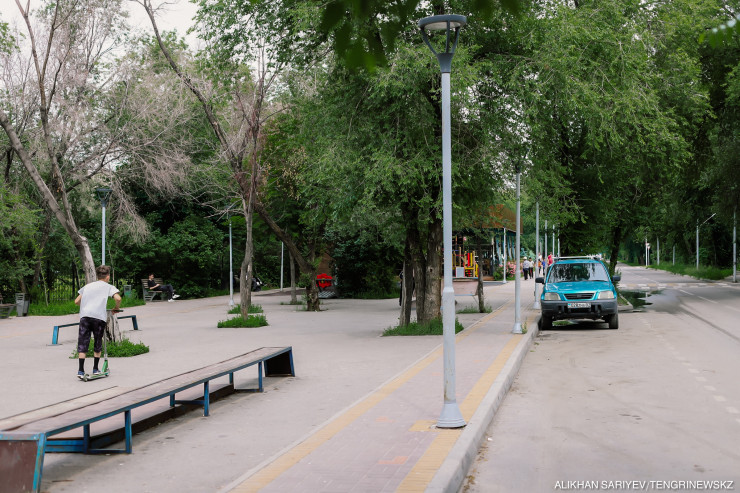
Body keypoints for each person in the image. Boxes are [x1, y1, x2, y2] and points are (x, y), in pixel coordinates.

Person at [74, 265, 121, 378]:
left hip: (85, 316)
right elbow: (118, 298)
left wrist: (86, 306)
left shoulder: (88, 286)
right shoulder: (108, 287)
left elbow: (76, 301)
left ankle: (80, 370)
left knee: (83, 342)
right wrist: (116, 308)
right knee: (98, 341)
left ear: (97, 276)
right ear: (108, 276)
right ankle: (95, 369)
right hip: (98, 317)